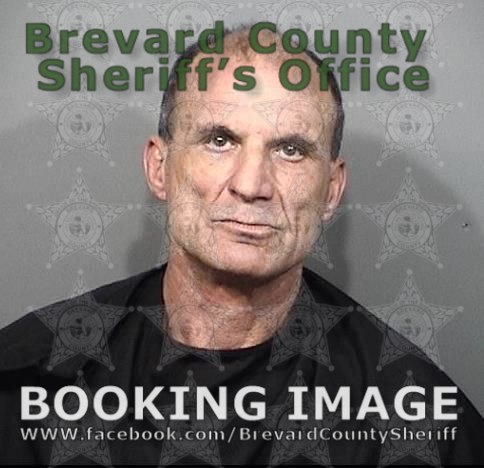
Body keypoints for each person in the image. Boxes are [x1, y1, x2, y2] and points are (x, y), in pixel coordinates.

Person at [0, 25, 483, 466]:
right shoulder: (29, 381)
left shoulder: (415, 416)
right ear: (159, 167)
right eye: (219, 140)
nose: (251, 185)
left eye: (290, 150)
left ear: (331, 191)